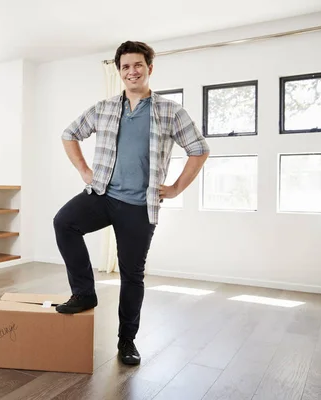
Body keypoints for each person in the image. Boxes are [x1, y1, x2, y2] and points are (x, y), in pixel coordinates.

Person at [53, 41, 210, 366]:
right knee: (64, 222)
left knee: (131, 274)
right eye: (125, 67)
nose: (131, 72)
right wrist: (84, 170)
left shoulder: (170, 111)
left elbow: (199, 148)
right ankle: (84, 293)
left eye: (137, 65)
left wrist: (178, 187)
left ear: (149, 68)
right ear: (119, 71)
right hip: (102, 196)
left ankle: (127, 341)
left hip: (140, 208)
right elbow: (70, 134)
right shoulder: (106, 107)